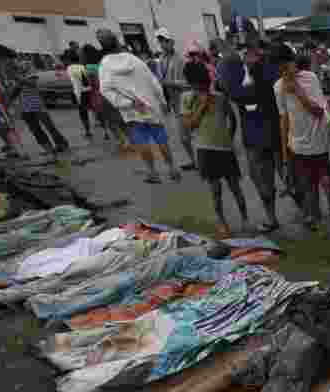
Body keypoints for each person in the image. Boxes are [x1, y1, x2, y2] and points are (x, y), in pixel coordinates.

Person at [98, 29, 181, 184]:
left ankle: (153, 173)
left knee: (142, 142)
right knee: (161, 140)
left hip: (132, 112)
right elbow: (153, 82)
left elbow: (105, 90)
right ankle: (172, 169)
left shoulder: (105, 66)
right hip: (151, 107)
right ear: (117, 41)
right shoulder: (135, 60)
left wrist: (126, 103)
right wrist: (162, 102)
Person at [277, 51, 330, 233]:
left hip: (318, 141)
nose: (286, 72)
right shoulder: (278, 87)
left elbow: (318, 111)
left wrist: (298, 92)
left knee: (327, 183)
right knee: (308, 186)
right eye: (281, 69)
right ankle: (315, 220)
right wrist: (285, 155)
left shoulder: (310, 78)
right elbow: (283, 120)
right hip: (298, 145)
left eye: (288, 66)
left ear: (294, 63)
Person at [222, 37, 285, 233]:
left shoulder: (269, 63)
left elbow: (265, 91)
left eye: (246, 46)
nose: (243, 51)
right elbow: (233, 93)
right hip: (253, 135)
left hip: (276, 131)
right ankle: (272, 218)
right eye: (239, 46)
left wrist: (253, 72)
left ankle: (309, 215)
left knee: (289, 177)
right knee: (261, 181)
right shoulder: (232, 66)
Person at [181, 61, 249, 236]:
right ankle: (222, 223)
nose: (201, 87)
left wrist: (229, 138)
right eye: (197, 84)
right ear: (191, 83)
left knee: (236, 187)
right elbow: (189, 125)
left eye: (203, 83)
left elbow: (232, 119)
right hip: (205, 150)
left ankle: (245, 219)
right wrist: (203, 105)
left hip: (225, 149)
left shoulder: (219, 97)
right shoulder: (187, 98)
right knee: (215, 190)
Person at [154, 28, 196, 171]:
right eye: (161, 42)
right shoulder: (161, 60)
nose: (163, 44)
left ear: (172, 41)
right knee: (185, 137)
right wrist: (163, 100)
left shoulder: (182, 59)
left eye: (165, 41)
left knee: (187, 136)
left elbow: (190, 83)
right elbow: (161, 81)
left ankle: (199, 160)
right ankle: (195, 160)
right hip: (175, 103)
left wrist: (172, 83)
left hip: (187, 102)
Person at [66, 50, 93, 139]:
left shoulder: (69, 68)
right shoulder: (83, 66)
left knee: (83, 112)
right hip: (88, 90)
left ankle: (87, 130)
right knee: (94, 109)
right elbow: (88, 79)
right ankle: (105, 129)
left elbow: (71, 81)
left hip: (78, 93)